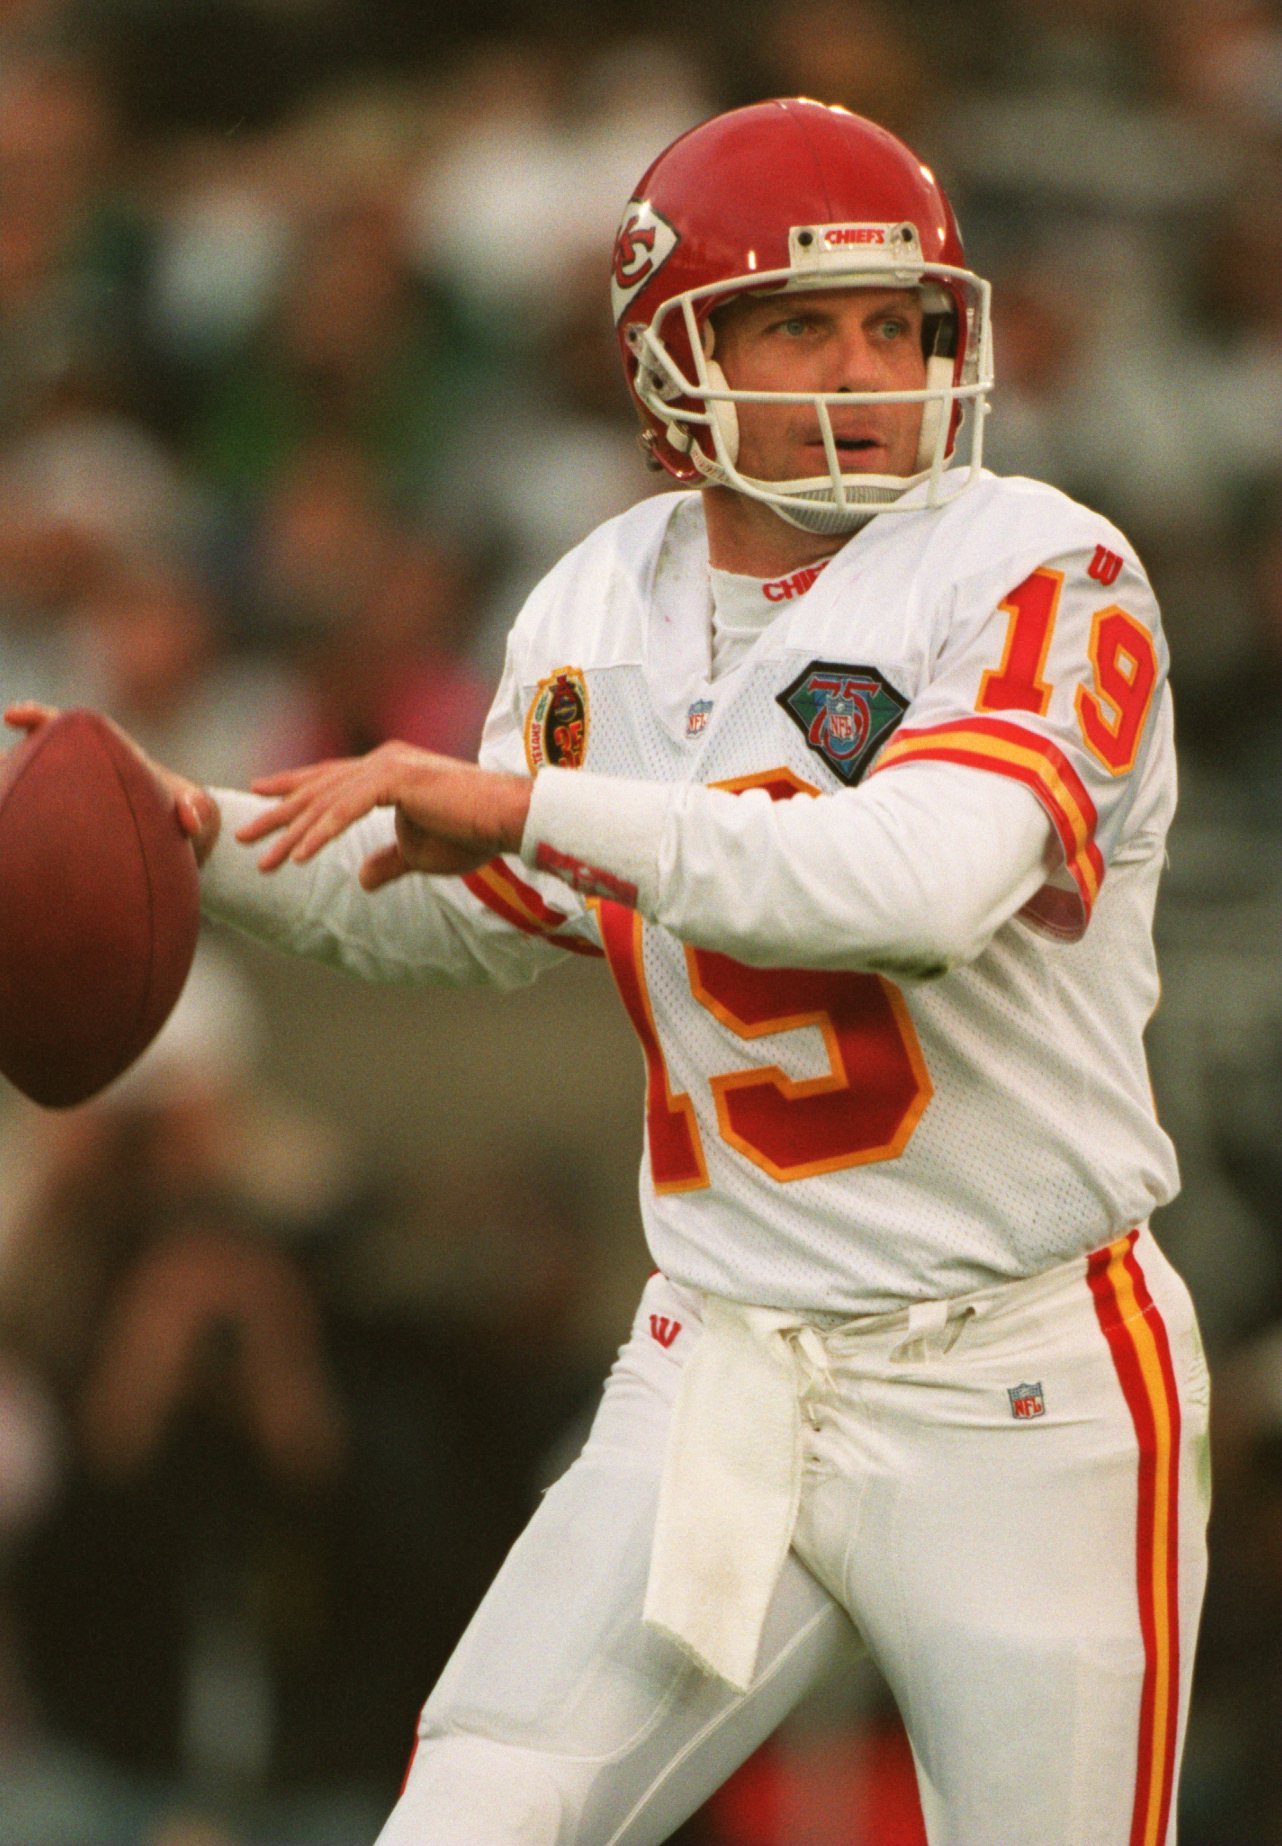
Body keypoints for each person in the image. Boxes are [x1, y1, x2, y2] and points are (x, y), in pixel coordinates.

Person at [8, 99, 1210, 1846]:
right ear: (673, 354)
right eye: (800, 321)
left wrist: (536, 799)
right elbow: (477, 902)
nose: (863, 366)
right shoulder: (596, 605)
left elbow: (922, 883)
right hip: (722, 1353)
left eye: (899, 321)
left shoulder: (1040, 562)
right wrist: (195, 833)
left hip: (1019, 1373)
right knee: (469, 1822)